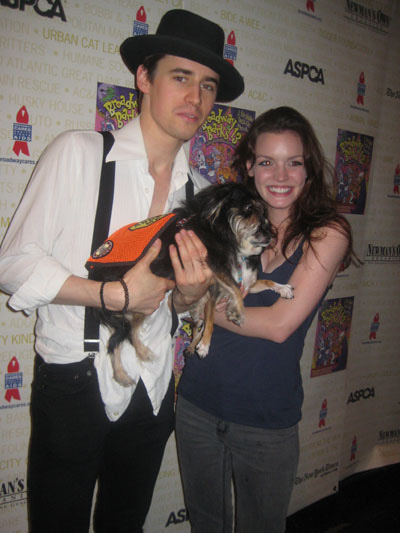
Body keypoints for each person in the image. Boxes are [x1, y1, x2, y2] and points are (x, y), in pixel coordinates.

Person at [0, 9, 244, 533]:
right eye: (180, 77)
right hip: (74, 383)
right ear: (143, 77)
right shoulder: (77, 154)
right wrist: (113, 295)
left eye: (207, 85)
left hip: (153, 390)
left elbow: (174, 304)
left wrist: (189, 296)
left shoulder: (199, 194)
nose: (195, 99)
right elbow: (13, 265)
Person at [175, 106, 355, 533]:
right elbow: (180, 301)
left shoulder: (326, 233)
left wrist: (209, 307)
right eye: (267, 162)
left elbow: (278, 325)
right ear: (249, 167)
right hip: (197, 405)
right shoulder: (226, 227)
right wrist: (194, 300)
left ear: (308, 171)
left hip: (264, 419)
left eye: (294, 163)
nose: (280, 175)